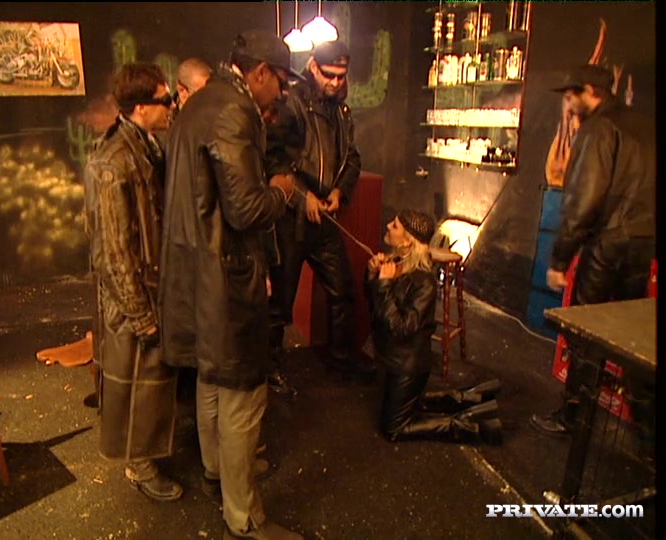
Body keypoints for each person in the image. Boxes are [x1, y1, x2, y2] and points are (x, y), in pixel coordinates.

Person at [158, 29, 304, 540]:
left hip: (194, 273)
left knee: (211, 376)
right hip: (226, 274)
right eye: (281, 82)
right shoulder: (234, 111)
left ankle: (218, 469)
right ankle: (244, 517)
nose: (281, 94)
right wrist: (282, 191)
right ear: (260, 72)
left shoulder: (197, 103)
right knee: (243, 389)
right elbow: (246, 210)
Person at [530, 64, 656, 436]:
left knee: (585, 334)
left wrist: (560, 259)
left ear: (591, 91)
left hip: (606, 244)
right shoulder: (644, 125)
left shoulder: (599, 129)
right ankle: (646, 431)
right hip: (642, 243)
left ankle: (574, 416)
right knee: (632, 335)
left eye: (572, 97)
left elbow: (584, 199)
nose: (568, 106)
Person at [83, 62, 183, 502]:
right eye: (165, 100)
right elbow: (113, 251)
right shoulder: (113, 162)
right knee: (137, 384)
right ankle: (139, 466)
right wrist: (141, 314)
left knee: (150, 382)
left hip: (152, 283)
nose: (171, 106)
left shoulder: (145, 146)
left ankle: (145, 456)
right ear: (141, 107)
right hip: (134, 294)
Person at [265, 39, 373, 397]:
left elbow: (352, 158)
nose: (336, 82)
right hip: (290, 219)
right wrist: (302, 196)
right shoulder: (291, 102)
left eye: (342, 76)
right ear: (313, 67)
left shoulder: (341, 110)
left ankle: (342, 359)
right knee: (280, 302)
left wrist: (340, 191)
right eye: (330, 74)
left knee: (344, 290)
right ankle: (270, 368)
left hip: (325, 215)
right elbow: (273, 160)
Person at [364, 210, 503, 445]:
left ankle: (473, 428)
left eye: (395, 226)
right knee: (415, 404)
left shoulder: (424, 282)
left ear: (408, 241)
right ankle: (471, 398)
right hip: (392, 359)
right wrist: (372, 275)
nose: (388, 226)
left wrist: (384, 285)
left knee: (394, 428)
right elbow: (376, 309)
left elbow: (401, 328)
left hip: (408, 366)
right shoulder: (395, 263)